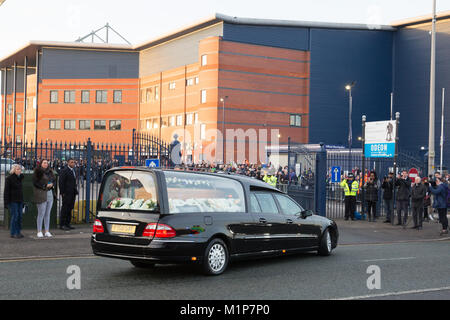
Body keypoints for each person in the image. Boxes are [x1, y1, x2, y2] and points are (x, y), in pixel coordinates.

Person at [33, 160, 56, 238]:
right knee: (41, 213)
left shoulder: (50, 172)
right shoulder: (37, 172)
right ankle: (39, 231)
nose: (46, 164)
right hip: (41, 194)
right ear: (41, 164)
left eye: (47, 163)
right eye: (44, 163)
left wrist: (52, 184)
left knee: (47, 213)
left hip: (50, 194)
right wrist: (45, 185)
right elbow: (35, 183)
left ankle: (47, 231)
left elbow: (54, 180)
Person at [4, 164, 25, 239]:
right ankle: (13, 233)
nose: (19, 170)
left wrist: (23, 201)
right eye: (17, 169)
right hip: (12, 200)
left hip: (19, 200)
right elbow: (6, 191)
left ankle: (18, 232)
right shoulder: (9, 179)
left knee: (20, 216)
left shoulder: (20, 178)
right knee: (15, 216)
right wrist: (6, 202)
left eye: (20, 169)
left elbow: (21, 191)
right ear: (13, 170)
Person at [59, 158, 79, 230]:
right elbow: (61, 182)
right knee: (65, 208)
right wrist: (62, 192)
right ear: (68, 163)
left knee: (70, 208)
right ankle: (62, 224)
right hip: (66, 193)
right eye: (71, 162)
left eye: (74, 162)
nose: (73, 163)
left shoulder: (73, 171)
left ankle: (68, 223)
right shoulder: (64, 171)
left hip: (72, 193)